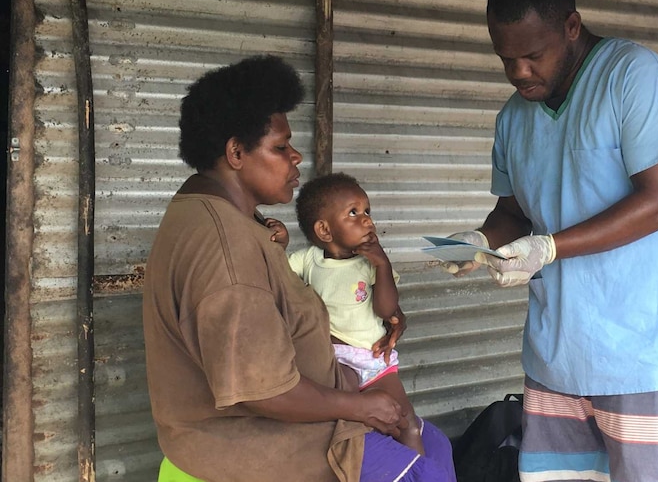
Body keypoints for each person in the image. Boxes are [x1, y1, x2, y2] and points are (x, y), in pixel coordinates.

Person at [444, 0, 658, 482]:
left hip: (640, 354)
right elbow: (512, 212)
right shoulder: (513, 118)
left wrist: (547, 248)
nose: (519, 72)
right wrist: (478, 240)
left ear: (571, 27)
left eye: (532, 55)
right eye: (506, 59)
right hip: (554, 360)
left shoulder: (632, 76)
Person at [142, 55, 456, 482]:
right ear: (235, 152)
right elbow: (267, 391)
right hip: (254, 439)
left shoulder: (228, 217)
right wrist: (359, 406)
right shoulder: (225, 249)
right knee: (424, 473)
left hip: (305, 408)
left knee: (434, 442)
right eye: (280, 147)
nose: (296, 156)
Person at [265, 172, 424, 457]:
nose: (367, 220)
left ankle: (421, 472)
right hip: (331, 360)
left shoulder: (371, 263)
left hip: (374, 361)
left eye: (367, 211)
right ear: (325, 231)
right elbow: (279, 281)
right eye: (353, 213)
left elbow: (386, 311)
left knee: (407, 425)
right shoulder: (309, 260)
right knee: (344, 429)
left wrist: (383, 265)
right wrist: (280, 245)